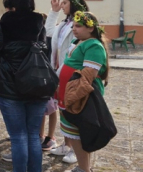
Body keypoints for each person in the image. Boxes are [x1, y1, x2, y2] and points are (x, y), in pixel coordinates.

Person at [0, 0, 48, 172]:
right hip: (36, 82)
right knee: (32, 135)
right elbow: (45, 49)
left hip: (9, 82)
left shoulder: (7, 20)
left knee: (18, 136)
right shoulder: (39, 21)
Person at [58, 11, 109, 172]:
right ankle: (84, 167)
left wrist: (72, 96)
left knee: (78, 134)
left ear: (91, 28)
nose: (74, 29)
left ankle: (84, 169)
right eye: (73, 26)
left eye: (79, 26)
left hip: (79, 96)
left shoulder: (93, 45)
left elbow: (88, 75)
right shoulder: (79, 41)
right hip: (68, 93)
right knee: (74, 133)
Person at [46, 0, 89, 163]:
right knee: (63, 109)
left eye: (64, 3)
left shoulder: (80, 25)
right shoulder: (64, 24)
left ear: (74, 4)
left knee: (73, 111)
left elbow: (75, 53)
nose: (62, 5)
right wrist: (54, 11)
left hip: (71, 73)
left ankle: (75, 150)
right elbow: (49, 31)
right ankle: (66, 144)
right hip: (59, 72)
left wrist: (61, 72)